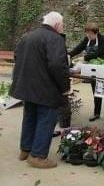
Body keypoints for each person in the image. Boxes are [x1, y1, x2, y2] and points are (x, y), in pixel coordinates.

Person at [10, 11, 70, 168]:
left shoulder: (28, 36)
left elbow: (17, 56)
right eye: (62, 25)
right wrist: (65, 87)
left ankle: (26, 150)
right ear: (57, 24)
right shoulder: (55, 38)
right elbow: (57, 65)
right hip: (45, 89)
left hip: (28, 87)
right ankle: (37, 156)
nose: (63, 28)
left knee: (30, 117)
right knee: (46, 119)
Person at [69, 22, 104, 121]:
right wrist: (69, 55)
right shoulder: (87, 39)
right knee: (96, 90)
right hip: (93, 69)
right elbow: (78, 48)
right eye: (87, 33)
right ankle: (96, 113)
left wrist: (85, 57)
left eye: (90, 34)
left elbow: (99, 52)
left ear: (96, 33)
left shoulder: (103, 39)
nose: (88, 35)